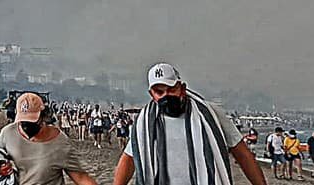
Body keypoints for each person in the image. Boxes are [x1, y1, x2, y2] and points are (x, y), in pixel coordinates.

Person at [112, 63, 266, 185]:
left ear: (182, 88)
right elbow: (129, 159)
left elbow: (242, 154)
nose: (166, 96)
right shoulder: (144, 124)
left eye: (171, 89)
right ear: (152, 94)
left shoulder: (211, 114)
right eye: (160, 92)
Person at [0, 93, 97, 185]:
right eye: (23, 121)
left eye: (31, 121)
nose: (26, 126)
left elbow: (81, 177)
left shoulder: (60, 142)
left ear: (43, 116)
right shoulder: (7, 133)